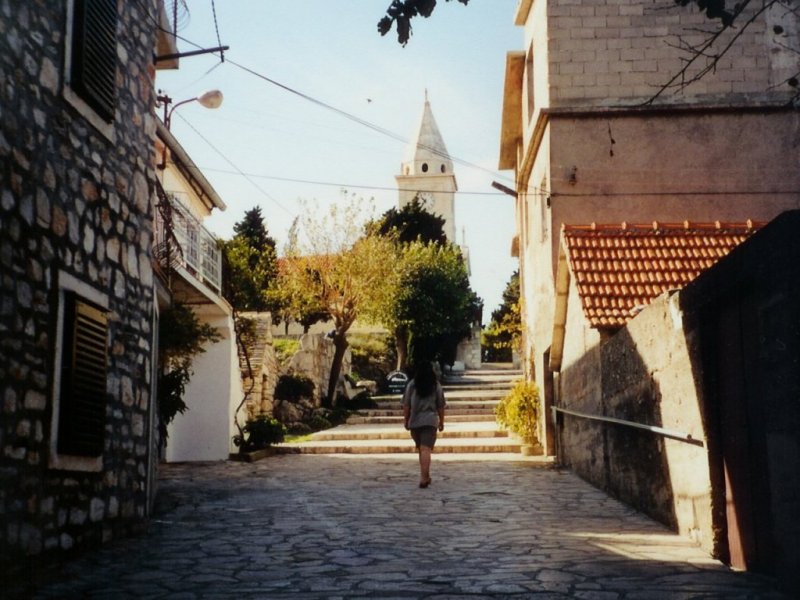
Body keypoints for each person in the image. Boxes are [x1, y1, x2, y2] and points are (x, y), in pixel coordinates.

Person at [402, 362, 446, 488]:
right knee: (425, 449)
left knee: (421, 450)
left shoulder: (412, 385)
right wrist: (442, 421)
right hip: (430, 420)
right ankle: (424, 477)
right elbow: (440, 406)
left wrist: (406, 420)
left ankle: (425, 476)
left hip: (415, 421)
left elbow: (406, 405)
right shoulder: (435, 385)